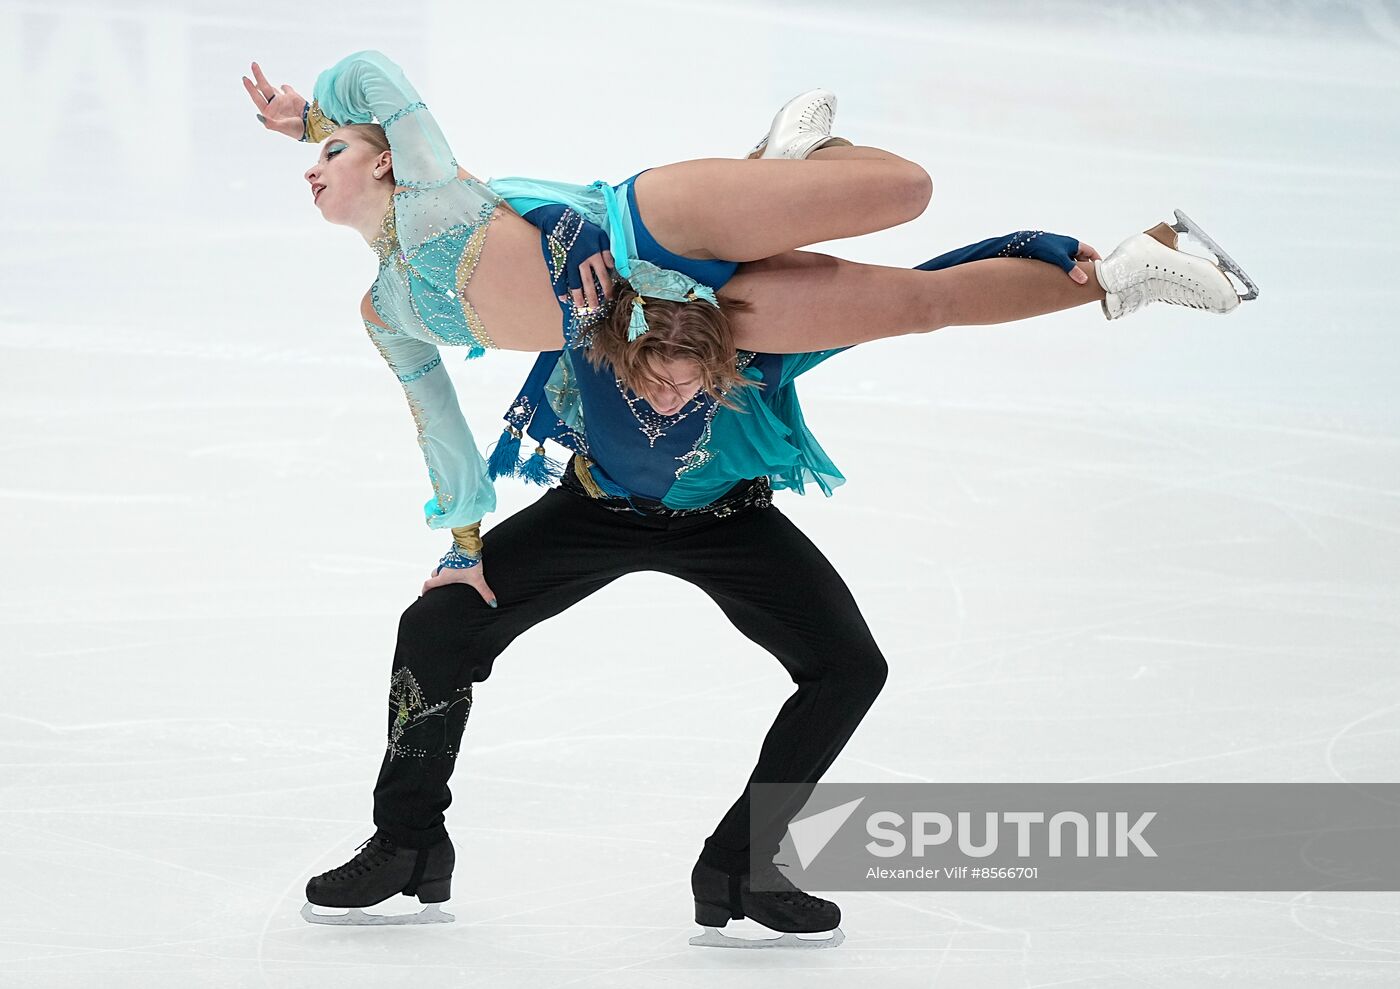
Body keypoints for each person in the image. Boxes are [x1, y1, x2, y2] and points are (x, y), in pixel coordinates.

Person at [299, 229, 1099, 947]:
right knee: (436, 625)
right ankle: (408, 842)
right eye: (655, 382)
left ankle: (741, 866)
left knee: (851, 667)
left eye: (690, 386)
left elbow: (912, 291)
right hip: (593, 511)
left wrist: (1029, 244)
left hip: (729, 523)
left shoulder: (775, 348)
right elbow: (506, 218)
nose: (670, 397)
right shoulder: (587, 325)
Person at [243, 50, 1258, 601]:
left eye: (332, 155)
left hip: (655, 225)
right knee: (916, 304)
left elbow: (369, 72)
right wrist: (463, 540)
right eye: (314, 156)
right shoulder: (388, 310)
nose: (313, 169)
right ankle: (1121, 273)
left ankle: (781, 169)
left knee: (904, 189)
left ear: (382, 159)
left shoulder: (426, 183)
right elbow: (440, 428)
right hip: (670, 323)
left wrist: (308, 116)